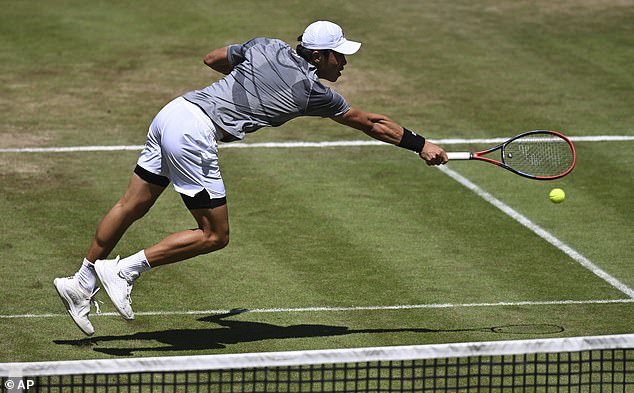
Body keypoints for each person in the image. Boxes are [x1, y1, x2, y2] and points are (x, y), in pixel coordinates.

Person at [53, 20, 448, 336]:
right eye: (339, 56)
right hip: (195, 135)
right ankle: (124, 271)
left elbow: (212, 59)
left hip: (174, 111)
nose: (344, 63)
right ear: (319, 55)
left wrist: (248, 82)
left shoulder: (267, 45)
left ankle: (82, 280)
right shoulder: (314, 93)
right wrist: (421, 144)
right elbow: (372, 123)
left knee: (131, 204)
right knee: (214, 235)